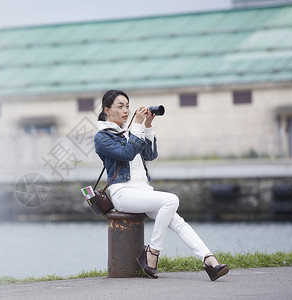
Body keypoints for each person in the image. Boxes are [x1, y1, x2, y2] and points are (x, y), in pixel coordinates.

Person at [94, 89, 229, 281]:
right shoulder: (102, 137)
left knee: (177, 221)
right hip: (123, 193)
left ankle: (209, 260)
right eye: (120, 106)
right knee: (171, 200)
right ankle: (152, 254)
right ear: (107, 110)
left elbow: (150, 155)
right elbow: (126, 154)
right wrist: (138, 127)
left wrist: (147, 126)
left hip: (143, 192)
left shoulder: (130, 130)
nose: (126, 110)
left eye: (127, 106)